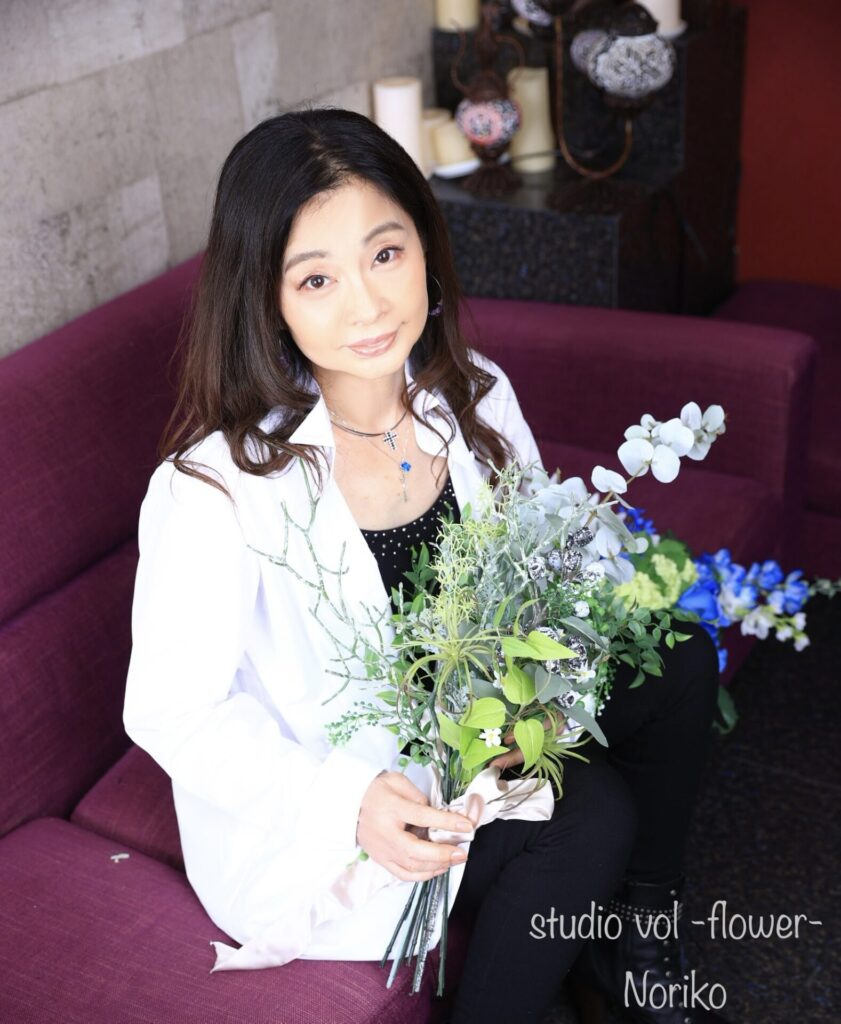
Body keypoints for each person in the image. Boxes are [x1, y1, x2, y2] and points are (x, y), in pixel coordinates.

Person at [123, 108, 731, 1024]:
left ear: (424, 246)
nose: (368, 305)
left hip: (486, 721)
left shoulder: (470, 392)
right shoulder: (214, 487)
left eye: (385, 254)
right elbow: (172, 710)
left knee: (678, 655)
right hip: (360, 791)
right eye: (316, 278)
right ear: (266, 297)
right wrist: (347, 801)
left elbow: (548, 570)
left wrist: (549, 688)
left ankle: (637, 932)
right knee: (590, 811)